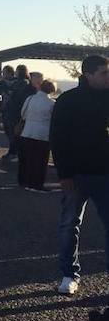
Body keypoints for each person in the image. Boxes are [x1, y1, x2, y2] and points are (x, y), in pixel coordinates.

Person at [49, 55, 109, 299]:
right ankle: (69, 275)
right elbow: (58, 138)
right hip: (76, 175)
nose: (108, 77)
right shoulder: (68, 101)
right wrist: (64, 173)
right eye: (104, 73)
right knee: (69, 225)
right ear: (88, 74)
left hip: (106, 174)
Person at [18, 79, 57, 191]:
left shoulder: (30, 99)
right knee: (40, 161)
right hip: (43, 134)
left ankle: (24, 181)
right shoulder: (51, 103)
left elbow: (23, 114)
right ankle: (37, 184)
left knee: (26, 159)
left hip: (27, 131)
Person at [3, 65, 34, 161]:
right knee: (13, 133)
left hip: (14, 112)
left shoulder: (22, 83)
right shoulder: (24, 83)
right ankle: (13, 152)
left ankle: (13, 152)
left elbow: (17, 97)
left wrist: (9, 95)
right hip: (15, 111)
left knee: (13, 133)